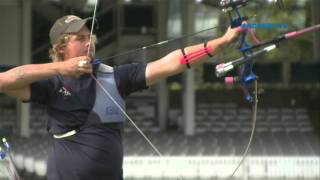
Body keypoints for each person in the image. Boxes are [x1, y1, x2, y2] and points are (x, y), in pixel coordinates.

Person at [0, 15, 240, 180]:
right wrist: (59, 69)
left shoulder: (115, 77)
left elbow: (170, 63)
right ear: (61, 48)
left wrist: (220, 43)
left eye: (89, 36)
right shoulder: (51, 84)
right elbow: (4, 81)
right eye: (80, 38)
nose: (88, 42)